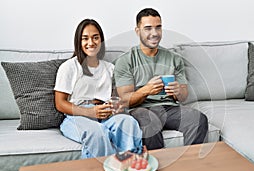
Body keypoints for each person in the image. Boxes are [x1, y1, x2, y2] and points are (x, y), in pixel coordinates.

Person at [113, 8, 208, 150]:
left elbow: (183, 96)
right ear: (138, 31)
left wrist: (177, 92)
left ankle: (190, 167)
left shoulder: (174, 59)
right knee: (150, 123)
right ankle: (157, 169)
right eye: (148, 28)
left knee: (198, 119)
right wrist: (146, 90)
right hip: (141, 109)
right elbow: (125, 100)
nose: (154, 33)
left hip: (170, 108)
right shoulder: (126, 61)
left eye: (158, 27)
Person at [54, 19, 143, 158]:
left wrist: (118, 107)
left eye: (95, 37)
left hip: (104, 113)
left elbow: (118, 98)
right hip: (77, 116)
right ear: (78, 41)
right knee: (97, 132)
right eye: (85, 38)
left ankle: (130, 164)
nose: (91, 43)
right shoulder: (69, 67)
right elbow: (60, 103)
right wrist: (90, 112)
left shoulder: (110, 68)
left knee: (128, 122)